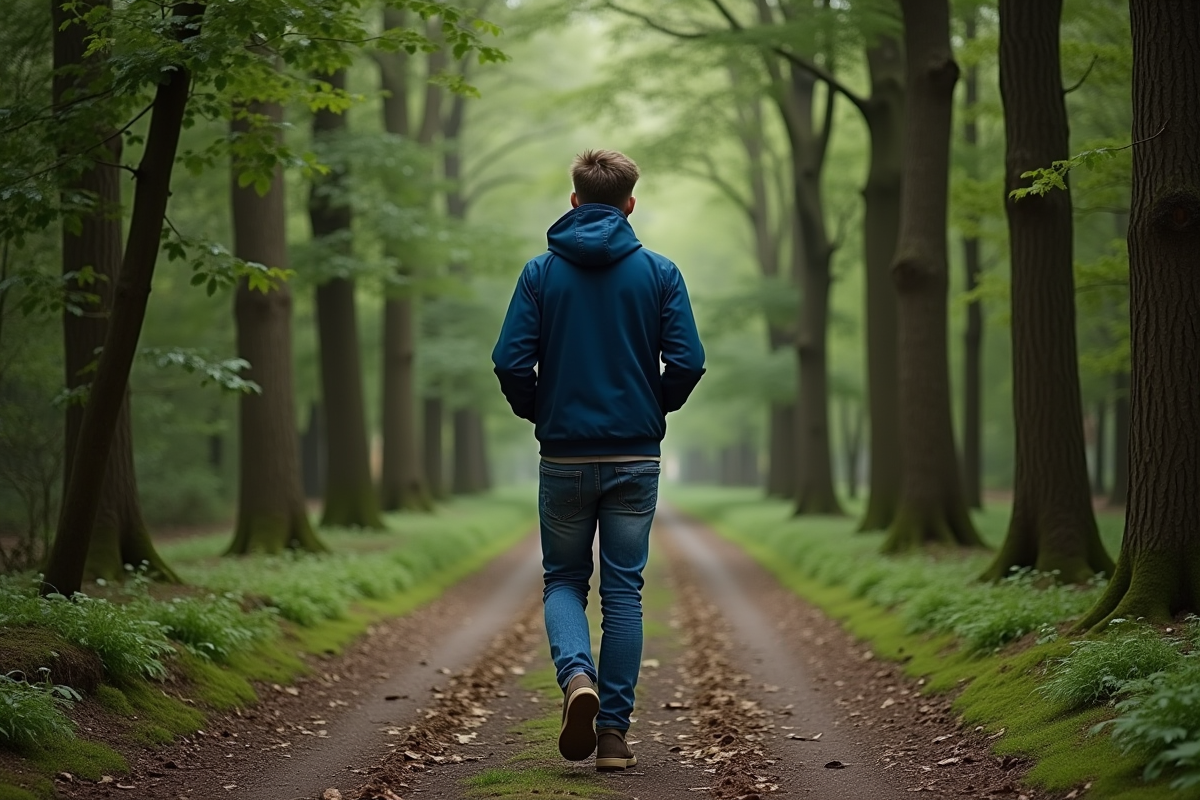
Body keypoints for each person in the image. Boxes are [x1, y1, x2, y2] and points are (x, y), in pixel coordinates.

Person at [492, 149, 705, 771]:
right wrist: (651, 408)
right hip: (635, 455)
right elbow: (688, 362)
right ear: (630, 204)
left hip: (563, 455)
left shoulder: (539, 275)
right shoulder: (661, 273)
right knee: (624, 594)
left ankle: (576, 676)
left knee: (562, 579)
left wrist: (541, 411)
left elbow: (510, 361)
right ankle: (612, 736)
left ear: (574, 201)